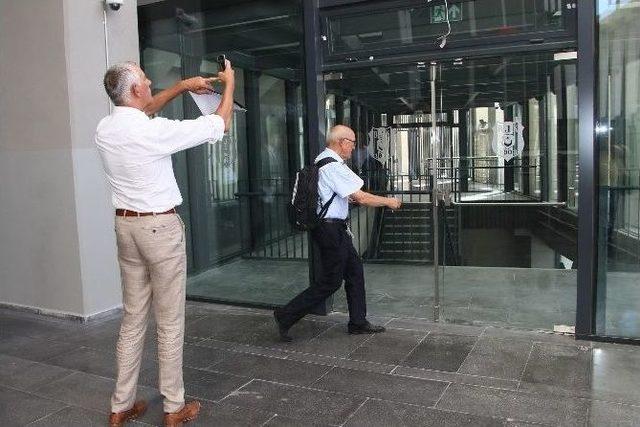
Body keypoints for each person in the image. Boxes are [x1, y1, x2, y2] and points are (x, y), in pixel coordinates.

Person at [96, 59, 235, 427]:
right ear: (137, 90)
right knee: (170, 321)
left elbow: (147, 108)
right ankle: (174, 408)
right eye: (145, 79)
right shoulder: (150, 133)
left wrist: (183, 87)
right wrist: (231, 84)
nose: (151, 81)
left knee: (132, 318)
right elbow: (220, 123)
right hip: (160, 229)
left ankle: (120, 406)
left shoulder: (106, 128)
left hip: (126, 229)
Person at [274, 125, 402, 342]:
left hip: (333, 228)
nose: (353, 148)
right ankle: (286, 314)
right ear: (341, 142)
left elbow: (335, 194)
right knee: (331, 281)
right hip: (330, 230)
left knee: (355, 272)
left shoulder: (321, 160)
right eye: (351, 143)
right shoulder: (332, 166)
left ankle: (358, 322)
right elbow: (361, 198)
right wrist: (389, 201)